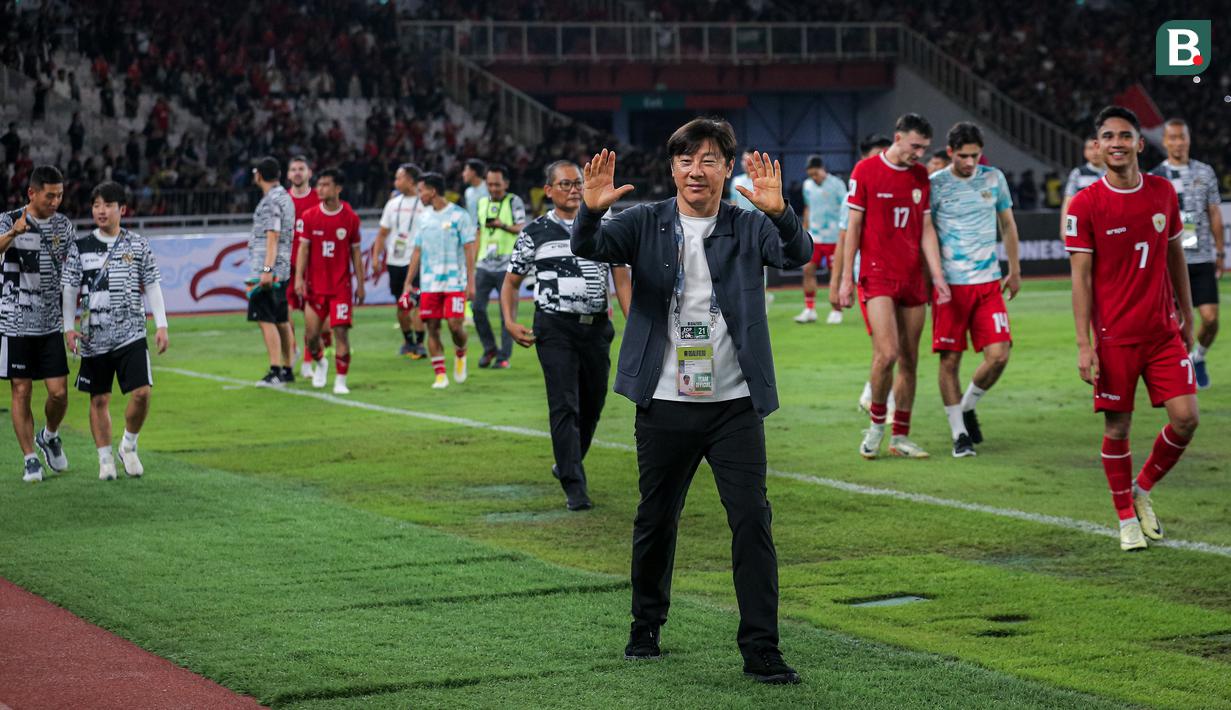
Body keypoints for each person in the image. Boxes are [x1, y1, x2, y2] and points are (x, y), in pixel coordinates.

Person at [572, 117, 811, 684]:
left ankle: (761, 649)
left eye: (707, 160)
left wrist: (779, 210)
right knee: (655, 518)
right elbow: (588, 246)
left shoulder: (748, 225)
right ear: (672, 168)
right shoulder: (644, 220)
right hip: (663, 401)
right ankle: (645, 627)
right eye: (684, 160)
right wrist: (591, 208)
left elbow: (796, 253)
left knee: (752, 521)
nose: (694, 170)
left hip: (733, 404)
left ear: (727, 169)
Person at [1065, 105, 1199, 552]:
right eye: (1108, 136)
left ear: (1140, 144)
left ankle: (1141, 489)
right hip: (1115, 337)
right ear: (1098, 146)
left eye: (1125, 136)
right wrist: (1084, 345)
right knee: (1118, 428)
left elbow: (1175, 254)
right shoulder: (1085, 204)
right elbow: (1080, 279)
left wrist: (1187, 311)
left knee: (1186, 419)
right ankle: (1125, 517)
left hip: (1162, 331)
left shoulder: (1163, 192)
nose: (1117, 143)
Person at [502, 160, 631, 511]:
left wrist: (633, 323)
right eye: (565, 184)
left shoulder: (606, 227)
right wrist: (510, 322)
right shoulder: (534, 232)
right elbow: (511, 282)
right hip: (554, 327)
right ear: (548, 191)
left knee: (593, 404)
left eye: (578, 183)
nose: (573, 189)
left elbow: (621, 281)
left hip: (596, 328)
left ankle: (567, 463)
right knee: (564, 405)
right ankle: (575, 486)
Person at [838, 113, 950, 459]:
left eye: (925, 148)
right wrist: (845, 278)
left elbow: (927, 229)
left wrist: (938, 276)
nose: (920, 153)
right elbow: (853, 228)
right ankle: (874, 428)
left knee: (910, 360)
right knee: (887, 354)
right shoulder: (866, 171)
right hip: (877, 274)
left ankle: (900, 435)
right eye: (915, 145)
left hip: (913, 278)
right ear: (897, 137)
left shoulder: (920, 176)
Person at [62, 181, 168, 481]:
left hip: (132, 332)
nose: (101, 210)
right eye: (96, 205)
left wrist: (162, 324)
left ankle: (129, 446)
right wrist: (68, 329)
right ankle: (105, 458)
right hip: (94, 336)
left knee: (142, 393)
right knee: (99, 400)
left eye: (108, 205)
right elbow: (70, 290)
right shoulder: (80, 247)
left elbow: (152, 285)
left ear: (122, 209)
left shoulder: (138, 245)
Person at [929, 122, 1021, 457]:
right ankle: (959, 435)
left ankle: (966, 406)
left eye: (975, 155)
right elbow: (926, 232)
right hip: (950, 288)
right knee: (950, 360)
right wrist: (935, 276)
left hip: (988, 284)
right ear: (950, 152)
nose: (970, 162)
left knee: (999, 357)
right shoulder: (935, 185)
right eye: (963, 155)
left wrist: (1015, 268)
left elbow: (1007, 224)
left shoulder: (993, 178)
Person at [0, 166, 74, 483]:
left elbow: (71, 273)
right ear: (32, 193)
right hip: (15, 320)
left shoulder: (63, 226)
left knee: (58, 394)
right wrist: (15, 232)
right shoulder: (8, 219)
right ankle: (30, 458)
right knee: (22, 390)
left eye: (59, 195)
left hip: (49, 323)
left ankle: (50, 434)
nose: (55, 201)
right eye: (50, 195)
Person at [1150, 118, 1224, 389]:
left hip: (1202, 257)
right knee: (1176, 324)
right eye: (1173, 138)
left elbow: (1214, 212)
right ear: (1165, 141)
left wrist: (1220, 252)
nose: (1178, 142)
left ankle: (1199, 358)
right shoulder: (1155, 176)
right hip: (1171, 262)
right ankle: (1180, 374)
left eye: (1182, 137)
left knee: (1211, 318)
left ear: (1189, 140)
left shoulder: (1204, 172)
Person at [830, 134, 894, 414]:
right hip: (870, 277)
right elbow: (844, 240)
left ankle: (872, 394)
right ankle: (881, 401)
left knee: (892, 346)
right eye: (877, 155)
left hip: (898, 276)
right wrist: (837, 284)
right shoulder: (853, 194)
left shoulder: (898, 186)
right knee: (887, 347)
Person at [401, 173, 476, 389]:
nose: (419, 195)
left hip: (454, 282)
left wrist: (471, 282)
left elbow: (469, 249)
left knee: (454, 325)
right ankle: (440, 375)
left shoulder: (459, 216)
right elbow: (416, 250)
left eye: (421, 190)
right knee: (432, 327)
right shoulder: (423, 218)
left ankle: (461, 351)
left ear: (432, 191)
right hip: (429, 284)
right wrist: (408, 281)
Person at [294, 169, 364, 395]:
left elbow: (355, 253)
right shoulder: (309, 216)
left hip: (340, 288)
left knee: (341, 333)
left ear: (338, 189)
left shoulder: (350, 218)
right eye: (319, 185)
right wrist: (299, 279)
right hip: (315, 287)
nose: (320, 189)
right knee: (312, 337)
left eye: (325, 185)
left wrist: (360, 285)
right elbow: (303, 250)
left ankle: (341, 381)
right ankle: (320, 362)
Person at [247, 156, 296, 387]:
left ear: (259, 175)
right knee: (281, 319)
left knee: (266, 320)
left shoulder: (269, 202)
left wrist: (266, 269)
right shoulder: (285, 197)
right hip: (283, 267)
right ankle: (288, 368)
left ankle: (275, 371)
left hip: (268, 270)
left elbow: (272, 236)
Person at [473, 165, 526, 369]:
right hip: (484, 265)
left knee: (507, 313)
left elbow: (521, 227)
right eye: (489, 184)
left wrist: (502, 225)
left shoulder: (514, 201)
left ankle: (504, 356)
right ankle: (490, 349)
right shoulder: (482, 202)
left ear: (506, 183)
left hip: (507, 266)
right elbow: (479, 232)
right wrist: (474, 261)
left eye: (497, 184)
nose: (493, 188)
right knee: (477, 308)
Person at [373, 163, 427, 359]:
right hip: (395, 261)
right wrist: (376, 256)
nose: (396, 182)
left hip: (419, 261)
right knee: (401, 303)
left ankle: (420, 343)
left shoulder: (424, 203)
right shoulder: (392, 204)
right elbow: (382, 233)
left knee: (418, 302)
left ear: (410, 181)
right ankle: (408, 340)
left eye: (399, 178)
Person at [795, 155, 846, 325]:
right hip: (815, 236)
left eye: (816, 173)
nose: (814, 177)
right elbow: (808, 207)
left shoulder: (837, 184)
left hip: (834, 237)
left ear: (823, 169)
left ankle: (836, 309)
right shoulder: (807, 185)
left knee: (835, 273)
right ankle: (810, 309)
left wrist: (844, 233)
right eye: (811, 174)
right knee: (808, 269)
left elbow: (846, 208)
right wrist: (804, 230)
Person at [286, 155, 323, 379]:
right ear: (288, 175)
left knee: (313, 320)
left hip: (312, 268)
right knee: (284, 313)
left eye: (301, 168)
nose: (297, 173)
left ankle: (310, 360)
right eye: (293, 169)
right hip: (286, 267)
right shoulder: (282, 200)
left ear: (309, 173)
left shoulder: (318, 199)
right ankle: (292, 349)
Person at [1059, 134, 1105, 236]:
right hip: (1083, 228)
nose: (1095, 152)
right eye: (1090, 148)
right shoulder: (1078, 173)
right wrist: (1065, 228)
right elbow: (1068, 203)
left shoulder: (1114, 173)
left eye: (1098, 148)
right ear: (1085, 152)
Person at [462, 158, 489, 227]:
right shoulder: (468, 192)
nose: (463, 174)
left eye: (465, 170)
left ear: (473, 172)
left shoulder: (489, 189)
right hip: (472, 233)